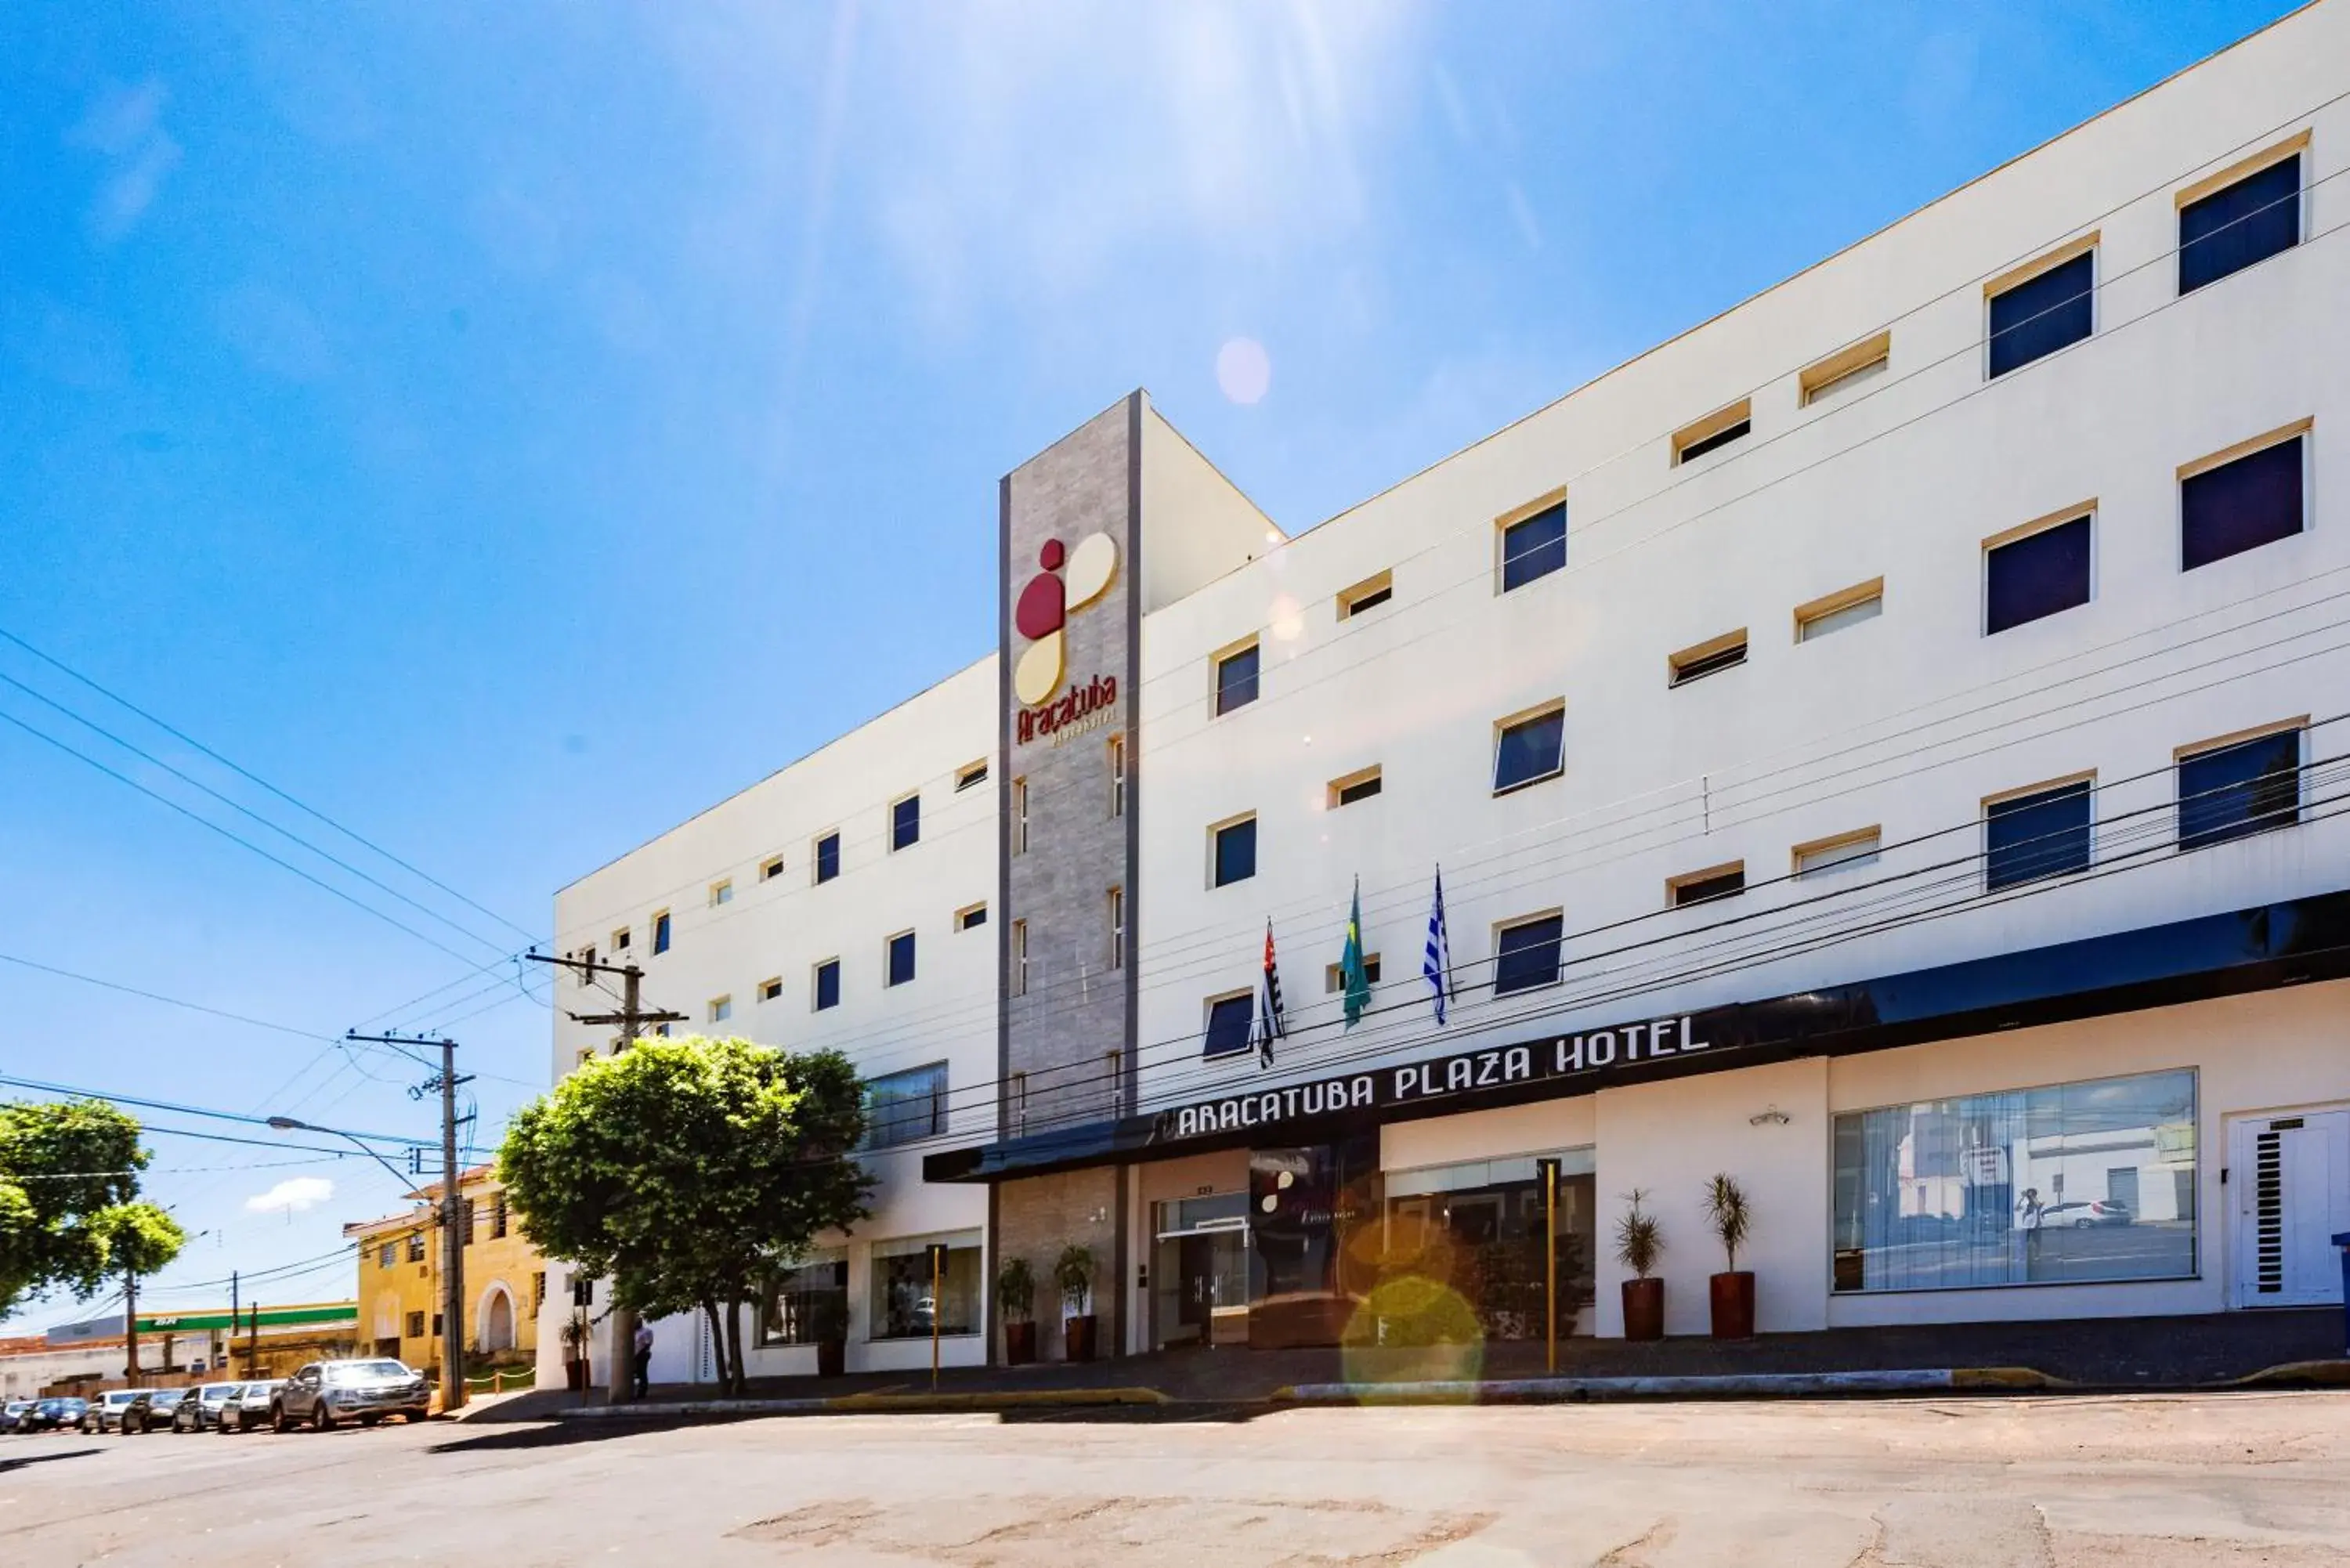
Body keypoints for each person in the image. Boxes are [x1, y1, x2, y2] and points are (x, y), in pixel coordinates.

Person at [631, 1319, 654, 1400]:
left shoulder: (646, 1331)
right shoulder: (632, 1332)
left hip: (642, 1354)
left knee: (642, 1373)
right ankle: (632, 1391)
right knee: (633, 1373)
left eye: (636, 1323)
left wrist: (639, 1354)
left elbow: (648, 1344)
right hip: (633, 1355)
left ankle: (642, 1392)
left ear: (640, 1323)